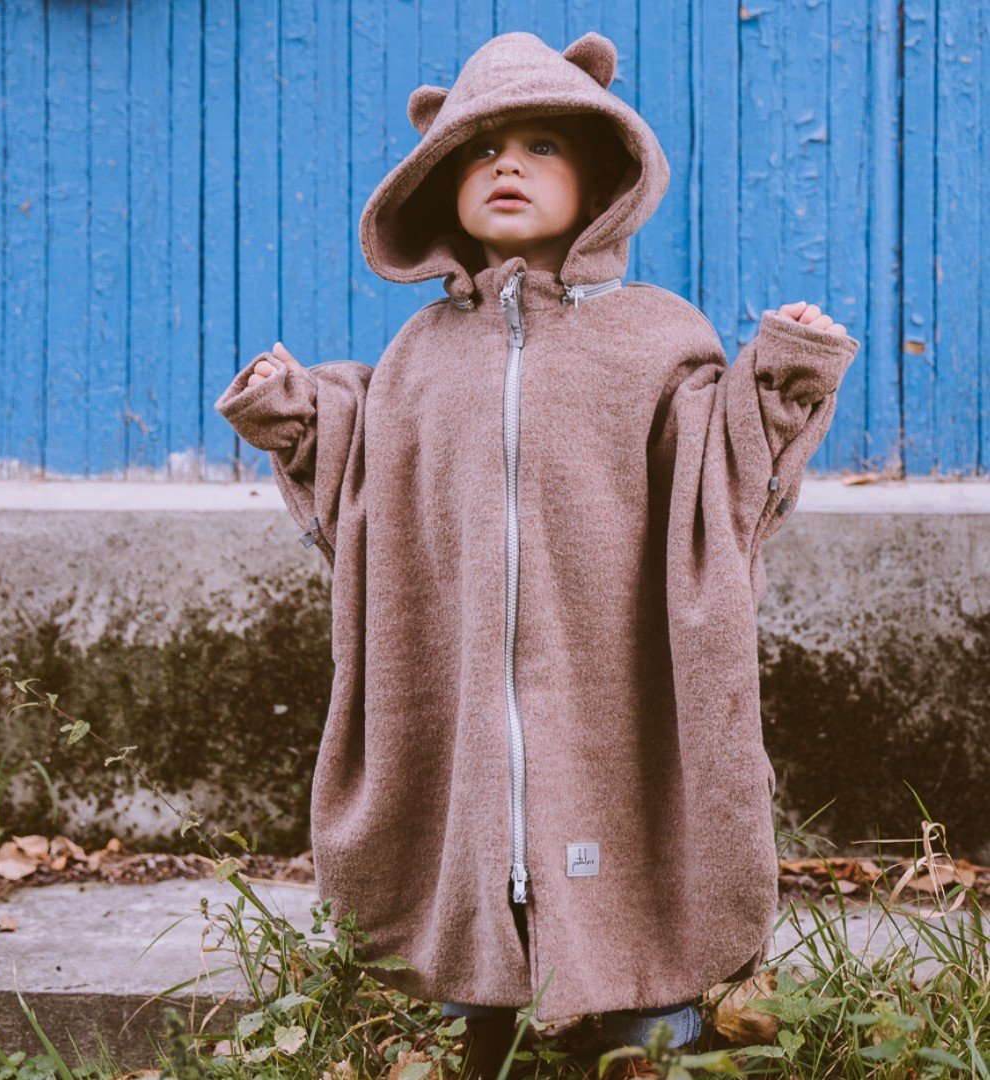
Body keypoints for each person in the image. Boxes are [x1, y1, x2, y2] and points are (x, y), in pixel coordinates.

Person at [214, 29, 860, 1077]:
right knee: (481, 803)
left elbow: (722, 488)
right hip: (467, 675)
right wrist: (304, 419)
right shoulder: (421, 354)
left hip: (613, 663)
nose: (505, 165)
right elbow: (375, 490)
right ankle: (494, 993)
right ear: (438, 185)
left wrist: (777, 383)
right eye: (479, 150)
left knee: (622, 796)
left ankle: (647, 999)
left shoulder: (656, 337)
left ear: (602, 176)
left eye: (540, 146)